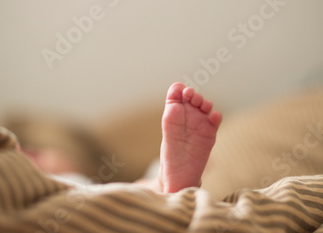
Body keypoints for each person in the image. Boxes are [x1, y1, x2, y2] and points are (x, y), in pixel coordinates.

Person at [20, 82, 222, 192]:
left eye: (33, 153)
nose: (25, 163)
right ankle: (162, 183)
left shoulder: (77, 184)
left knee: (122, 196)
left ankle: (162, 180)